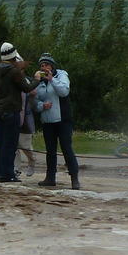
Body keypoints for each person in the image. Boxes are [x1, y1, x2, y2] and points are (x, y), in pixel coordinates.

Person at [0, 42, 34, 183]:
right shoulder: (14, 72)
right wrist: (37, 79)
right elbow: (27, 88)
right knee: (10, 144)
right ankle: (6, 174)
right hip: (11, 110)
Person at [33, 52, 80, 190]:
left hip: (63, 120)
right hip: (47, 121)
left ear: (52, 66)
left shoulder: (61, 75)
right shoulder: (39, 80)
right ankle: (50, 178)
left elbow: (64, 91)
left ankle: (74, 177)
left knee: (67, 148)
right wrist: (42, 106)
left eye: (46, 64)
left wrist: (52, 79)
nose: (44, 67)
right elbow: (35, 100)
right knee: (50, 151)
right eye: (41, 65)